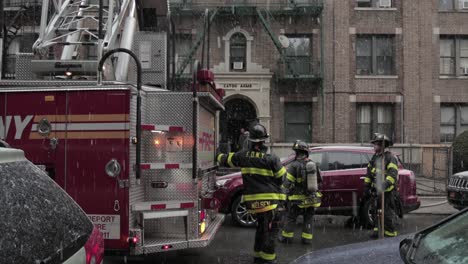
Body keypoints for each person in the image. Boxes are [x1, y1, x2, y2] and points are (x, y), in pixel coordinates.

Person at [217, 124, 287, 264]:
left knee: (261, 229)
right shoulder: (271, 159)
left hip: (252, 204)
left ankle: (257, 256)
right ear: (263, 141)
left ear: (250, 140)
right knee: (271, 231)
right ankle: (268, 259)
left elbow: (225, 159)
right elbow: (282, 178)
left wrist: (217, 153)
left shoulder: (243, 156)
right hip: (271, 203)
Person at [278, 140, 322, 245]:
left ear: (297, 153)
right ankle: (307, 239)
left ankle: (287, 238)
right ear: (306, 153)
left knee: (291, 218)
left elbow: (286, 184)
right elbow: (320, 181)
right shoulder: (313, 164)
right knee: (308, 218)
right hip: (311, 199)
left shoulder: (294, 166)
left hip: (296, 200)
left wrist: (282, 199)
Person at [362, 133, 399, 238]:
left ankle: (390, 235)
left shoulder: (390, 158)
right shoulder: (375, 158)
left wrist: (384, 185)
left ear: (382, 146)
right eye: (374, 144)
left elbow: (392, 175)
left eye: (376, 144)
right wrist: (367, 187)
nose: (374, 146)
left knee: (387, 214)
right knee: (375, 212)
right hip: (376, 191)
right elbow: (369, 173)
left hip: (387, 192)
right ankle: (377, 231)